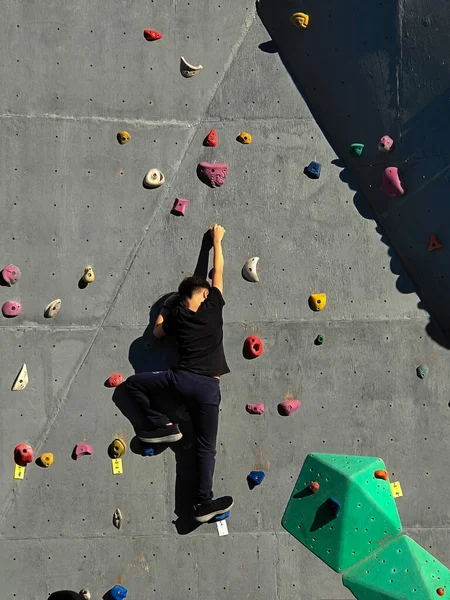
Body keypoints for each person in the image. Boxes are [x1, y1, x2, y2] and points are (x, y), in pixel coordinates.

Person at [125, 224, 233, 523]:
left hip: (182, 381)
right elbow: (218, 271)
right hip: (209, 388)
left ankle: (162, 426)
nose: (210, 293)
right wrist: (216, 242)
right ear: (200, 295)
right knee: (205, 448)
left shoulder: (177, 316)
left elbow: (158, 332)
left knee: (133, 385)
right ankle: (201, 503)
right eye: (205, 292)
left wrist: (164, 307)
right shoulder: (213, 309)